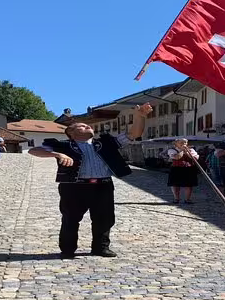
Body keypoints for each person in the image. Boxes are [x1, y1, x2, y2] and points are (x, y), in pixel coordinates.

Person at [28, 103, 152, 259]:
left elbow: (134, 134)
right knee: (70, 219)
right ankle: (67, 250)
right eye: (81, 126)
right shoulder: (62, 145)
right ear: (71, 133)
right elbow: (34, 150)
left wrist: (140, 116)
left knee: (105, 219)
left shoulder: (105, 143)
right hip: (74, 187)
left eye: (88, 125)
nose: (87, 126)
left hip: (103, 186)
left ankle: (100, 248)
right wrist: (57, 155)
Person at [167, 138, 199, 204]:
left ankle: (187, 199)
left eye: (185, 142)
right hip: (176, 169)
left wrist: (187, 152)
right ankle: (176, 198)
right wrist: (182, 150)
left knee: (189, 185)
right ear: (176, 144)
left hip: (189, 168)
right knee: (175, 184)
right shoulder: (172, 150)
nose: (183, 144)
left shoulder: (191, 150)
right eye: (181, 142)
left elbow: (195, 158)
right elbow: (176, 157)